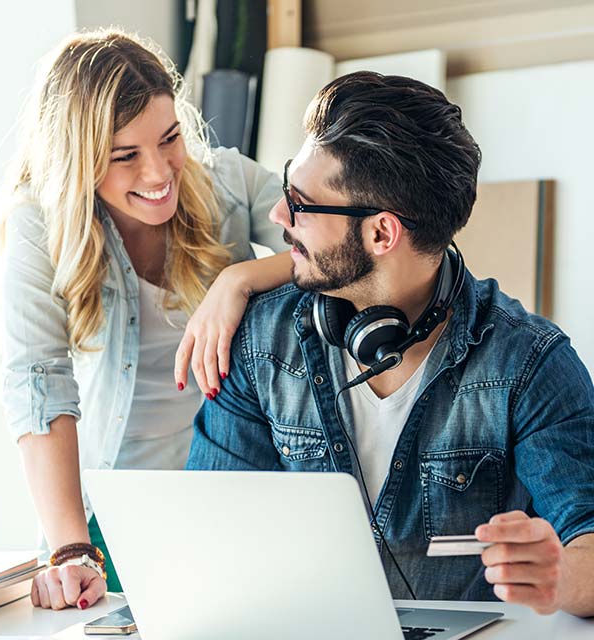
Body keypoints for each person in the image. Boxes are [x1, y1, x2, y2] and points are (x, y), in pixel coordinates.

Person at [187, 71, 594, 617]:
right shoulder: (260, 342)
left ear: (382, 233)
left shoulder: (529, 363)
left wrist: (558, 574)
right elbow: (206, 533)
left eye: (302, 204)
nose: (279, 216)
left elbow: (587, 546)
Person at [0, 29, 291, 611]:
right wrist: (69, 550)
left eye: (170, 139)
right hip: (112, 521)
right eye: (125, 156)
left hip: (234, 497)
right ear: (79, 161)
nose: (159, 173)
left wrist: (240, 279)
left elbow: (335, 246)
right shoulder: (40, 223)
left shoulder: (229, 183)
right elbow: (38, 383)